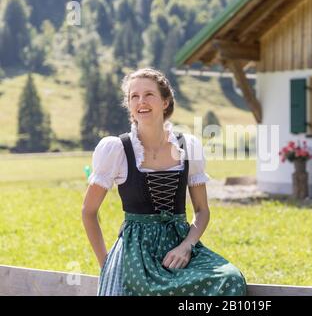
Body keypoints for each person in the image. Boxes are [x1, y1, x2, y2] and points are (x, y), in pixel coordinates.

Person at [81, 67, 247, 296]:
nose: (142, 101)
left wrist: (186, 246)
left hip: (181, 246)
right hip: (136, 252)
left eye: (149, 94)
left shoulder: (187, 147)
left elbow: (202, 210)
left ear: (166, 101)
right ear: (129, 104)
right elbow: (89, 212)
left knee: (230, 279)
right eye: (134, 96)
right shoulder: (117, 149)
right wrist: (106, 262)